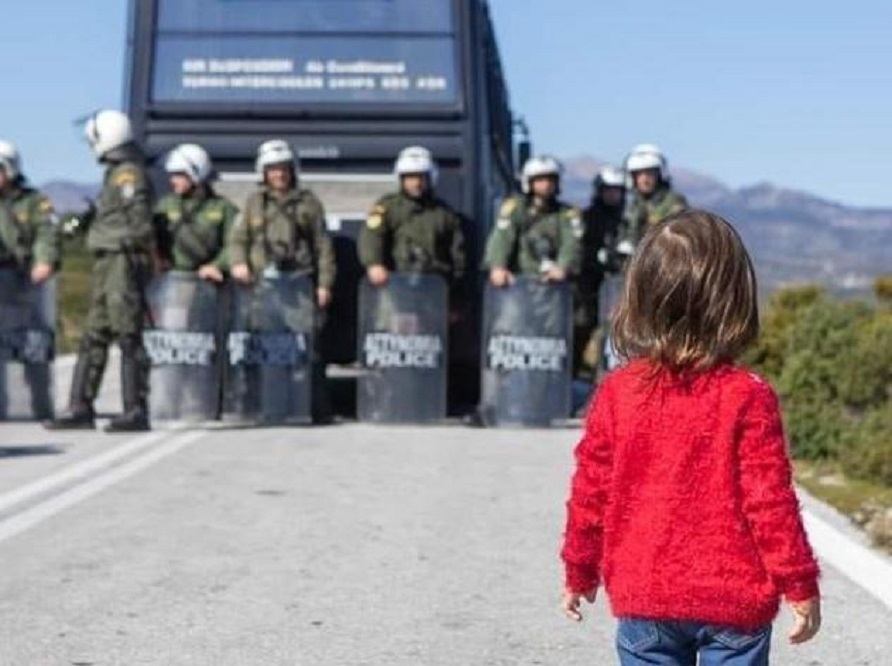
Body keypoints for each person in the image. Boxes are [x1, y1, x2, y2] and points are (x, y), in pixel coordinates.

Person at [560, 209, 821, 665]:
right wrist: (798, 582)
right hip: (734, 605)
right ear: (733, 300)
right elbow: (770, 503)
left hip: (647, 598)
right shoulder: (748, 395)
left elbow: (591, 493)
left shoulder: (619, 392)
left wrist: (580, 569)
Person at [46, 110, 155, 432]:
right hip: (107, 261)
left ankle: (135, 407)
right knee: (94, 333)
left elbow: (139, 223)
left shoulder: (128, 175)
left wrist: (120, 244)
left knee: (127, 334)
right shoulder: (114, 174)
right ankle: (80, 405)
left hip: (122, 260)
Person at [229, 139, 336, 423]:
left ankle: (311, 407)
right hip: (264, 288)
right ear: (263, 172)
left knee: (307, 347)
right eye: (272, 170)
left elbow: (323, 246)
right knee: (266, 348)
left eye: (283, 169)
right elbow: (239, 239)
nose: (278, 175)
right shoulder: (254, 203)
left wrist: (325, 284)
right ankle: (264, 405)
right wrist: (239, 263)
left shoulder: (308, 203)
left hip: (298, 284)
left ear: (292, 170)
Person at [0, 140, 61, 418]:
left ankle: (40, 405)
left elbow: (46, 234)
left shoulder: (34, 202)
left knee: (33, 346)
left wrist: (44, 261)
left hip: (26, 285)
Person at [359, 146, 465, 291]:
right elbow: (371, 236)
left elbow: (458, 255)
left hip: (433, 291)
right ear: (401, 178)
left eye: (420, 177)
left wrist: (456, 290)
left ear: (430, 177)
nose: (416, 183)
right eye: (410, 177)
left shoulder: (444, 213)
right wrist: (373, 264)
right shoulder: (387, 207)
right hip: (394, 288)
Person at [484, 155, 581, 286]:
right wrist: (497, 266)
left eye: (551, 180)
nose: (546, 184)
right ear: (529, 182)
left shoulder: (567, 214)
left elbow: (572, 243)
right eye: (540, 180)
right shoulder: (515, 209)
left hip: (554, 286)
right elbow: (501, 238)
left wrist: (563, 267)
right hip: (519, 284)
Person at [154, 143, 238, 280]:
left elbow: (235, 244)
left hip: (210, 285)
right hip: (173, 283)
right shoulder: (165, 205)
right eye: (172, 175)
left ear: (196, 174)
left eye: (179, 175)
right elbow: (151, 238)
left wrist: (217, 265)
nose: (172, 180)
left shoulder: (223, 208)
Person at [574, 165, 625, 378]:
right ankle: (574, 374)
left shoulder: (627, 219)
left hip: (616, 287)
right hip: (587, 286)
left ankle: (605, 378)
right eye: (607, 189)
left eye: (617, 190)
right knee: (580, 328)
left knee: (612, 334)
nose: (612, 194)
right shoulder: (585, 218)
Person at [621, 143, 687, 245]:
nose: (645, 179)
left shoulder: (674, 203)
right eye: (639, 174)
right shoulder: (633, 206)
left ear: (659, 175)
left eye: (649, 173)